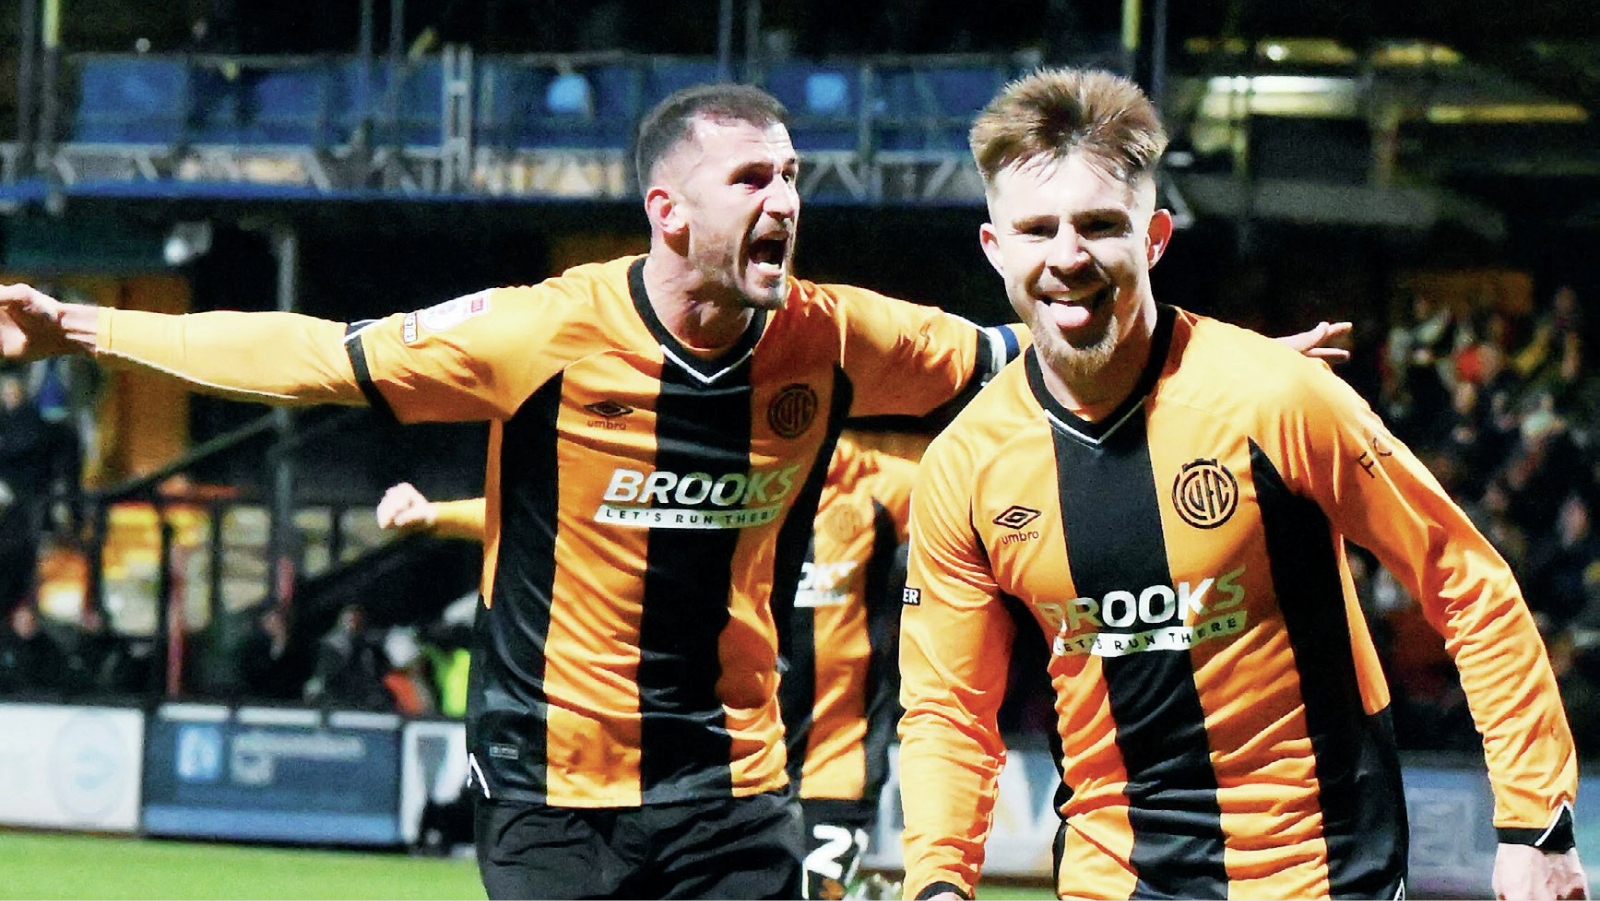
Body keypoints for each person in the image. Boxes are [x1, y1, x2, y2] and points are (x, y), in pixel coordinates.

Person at [4, 81, 1343, 901]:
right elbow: (313, 356)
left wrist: (1214, 365)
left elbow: (1026, 343)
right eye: (753, 181)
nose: (786, 204)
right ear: (668, 212)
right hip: (549, 792)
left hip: (729, 781)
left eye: (796, 181)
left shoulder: (831, 336)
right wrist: (84, 328)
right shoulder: (543, 330)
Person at [896, 68, 1586, 901]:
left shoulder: (1276, 397)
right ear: (995, 247)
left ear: (1154, 237)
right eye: (1037, 229)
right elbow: (947, 708)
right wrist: (936, 881)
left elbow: (1466, 580)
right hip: (1113, 881)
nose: (1067, 256)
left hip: (1320, 875)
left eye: (1099, 226)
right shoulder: (966, 465)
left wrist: (1534, 823)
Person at [377, 429, 922, 900]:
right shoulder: (712, 478)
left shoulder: (880, 487)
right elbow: (573, 513)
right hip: (729, 763)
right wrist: (437, 515)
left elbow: (979, 496)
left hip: (831, 768)